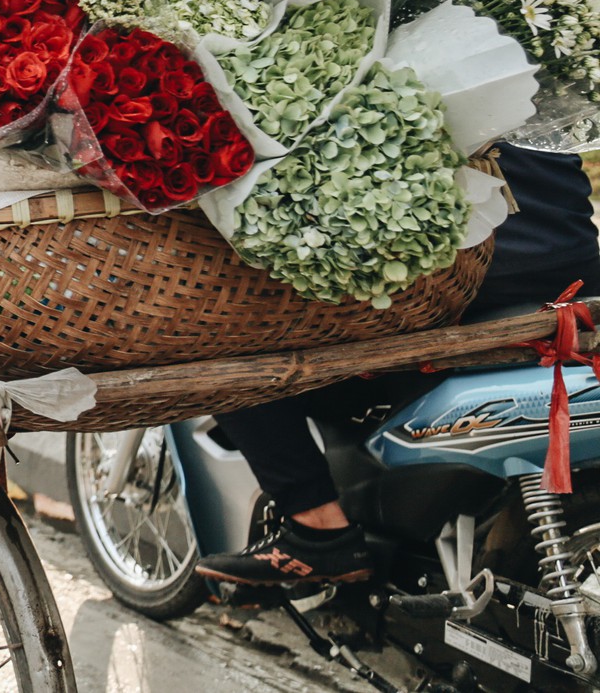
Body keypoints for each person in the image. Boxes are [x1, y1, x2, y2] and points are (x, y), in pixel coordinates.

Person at [197, 145, 600, 585]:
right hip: (573, 268)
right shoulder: (543, 80)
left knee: (214, 347)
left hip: (469, 283)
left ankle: (317, 532)